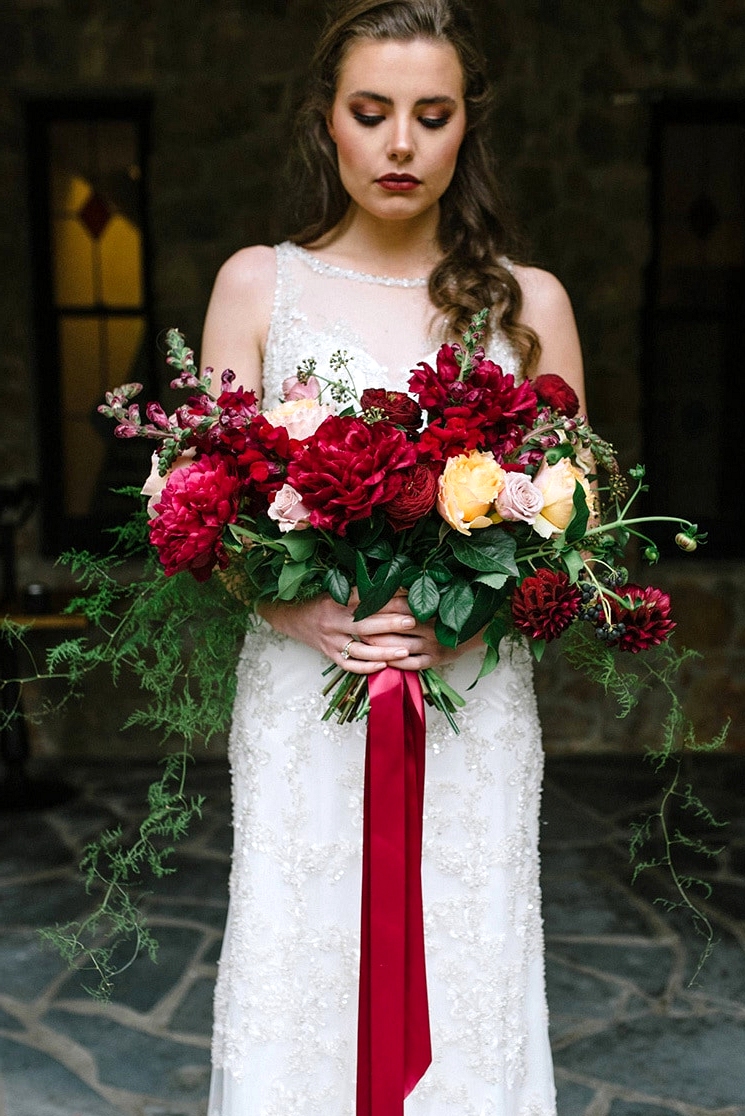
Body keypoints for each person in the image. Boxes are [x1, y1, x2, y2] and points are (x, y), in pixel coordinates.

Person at [201, 2, 585, 1113]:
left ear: (468, 126)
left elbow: (568, 525)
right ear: (327, 122)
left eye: (431, 115)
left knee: (468, 953)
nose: (401, 144)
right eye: (372, 114)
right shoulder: (254, 286)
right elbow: (196, 504)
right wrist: (295, 615)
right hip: (303, 687)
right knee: (303, 949)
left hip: (463, 690)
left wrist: (468, 617)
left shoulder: (529, 305)